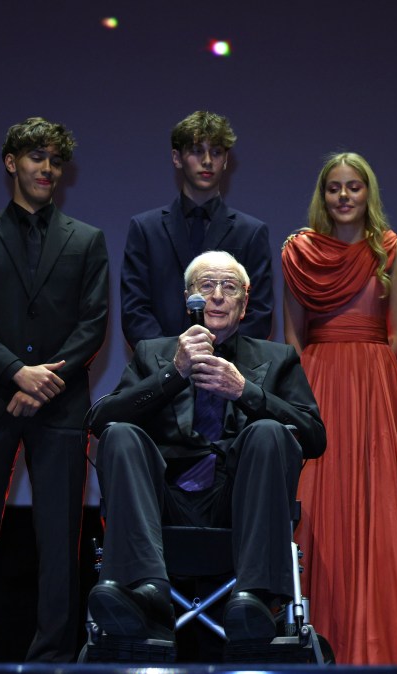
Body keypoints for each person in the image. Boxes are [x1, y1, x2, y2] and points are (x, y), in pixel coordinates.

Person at [85, 250, 326, 651]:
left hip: (238, 503)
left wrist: (247, 392)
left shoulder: (277, 358)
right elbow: (100, 418)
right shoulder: (153, 353)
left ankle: (259, 596)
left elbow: (314, 437)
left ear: (244, 303)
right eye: (206, 286)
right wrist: (172, 374)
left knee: (269, 431)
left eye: (228, 287)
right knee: (121, 434)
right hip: (164, 502)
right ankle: (143, 591)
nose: (216, 296)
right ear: (188, 299)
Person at [281, 152, 397, 665]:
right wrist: (306, 387)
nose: (343, 196)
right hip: (316, 383)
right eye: (334, 187)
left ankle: (379, 640)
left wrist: (367, 378)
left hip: (374, 385)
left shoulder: (391, 250)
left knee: (377, 503)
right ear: (323, 194)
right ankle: (317, 635)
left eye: (353, 187)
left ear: (368, 193)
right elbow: (292, 335)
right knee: (318, 505)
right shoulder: (299, 251)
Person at [0, 117, 110, 663]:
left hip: (59, 408)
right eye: (36, 157)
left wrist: (44, 382)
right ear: (11, 162)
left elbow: (93, 323)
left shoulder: (87, 239)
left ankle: (52, 661)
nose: (47, 169)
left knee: (59, 545)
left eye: (55, 160)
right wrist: (17, 373)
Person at [120, 110, 273, 349]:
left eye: (216, 152)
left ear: (226, 160)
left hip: (229, 369)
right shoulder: (145, 229)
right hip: (161, 369)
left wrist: (216, 360)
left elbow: (258, 313)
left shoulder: (251, 232)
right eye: (196, 151)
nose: (207, 161)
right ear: (177, 157)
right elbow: (135, 310)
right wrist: (171, 360)